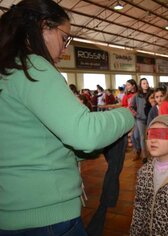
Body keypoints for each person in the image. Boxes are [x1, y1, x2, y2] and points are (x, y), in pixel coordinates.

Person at [0, 0, 135, 235]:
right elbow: (85, 134)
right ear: (44, 26)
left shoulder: (8, 72)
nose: (65, 48)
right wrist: (126, 116)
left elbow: (36, 143)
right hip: (46, 214)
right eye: (65, 38)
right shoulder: (34, 68)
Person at [130, 78, 152, 160]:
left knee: (150, 137)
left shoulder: (151, 94)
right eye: (143, 83)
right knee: (141, 137)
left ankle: (153, 153)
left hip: (150, 118)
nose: (146, 84)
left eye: (146, 83)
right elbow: (131, 107)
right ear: (140, 85)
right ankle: (144, 156)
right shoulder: (136, 96)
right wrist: (136, 114)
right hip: (140, 119)